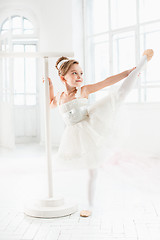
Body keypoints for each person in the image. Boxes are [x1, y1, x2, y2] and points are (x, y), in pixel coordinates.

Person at [45, 49, 154, 217]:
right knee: (89, 168)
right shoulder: (60, 97)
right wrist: (50, 87)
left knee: (118, 96)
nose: (79, 76)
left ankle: (140, 65)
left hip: (91, 126)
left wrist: (127, 73)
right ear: (63, 78)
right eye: (74, 73)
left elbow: (106, 82)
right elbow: (50, 103)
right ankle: (89, 202)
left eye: (81, 73)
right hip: (74, 136)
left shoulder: (84, 90)